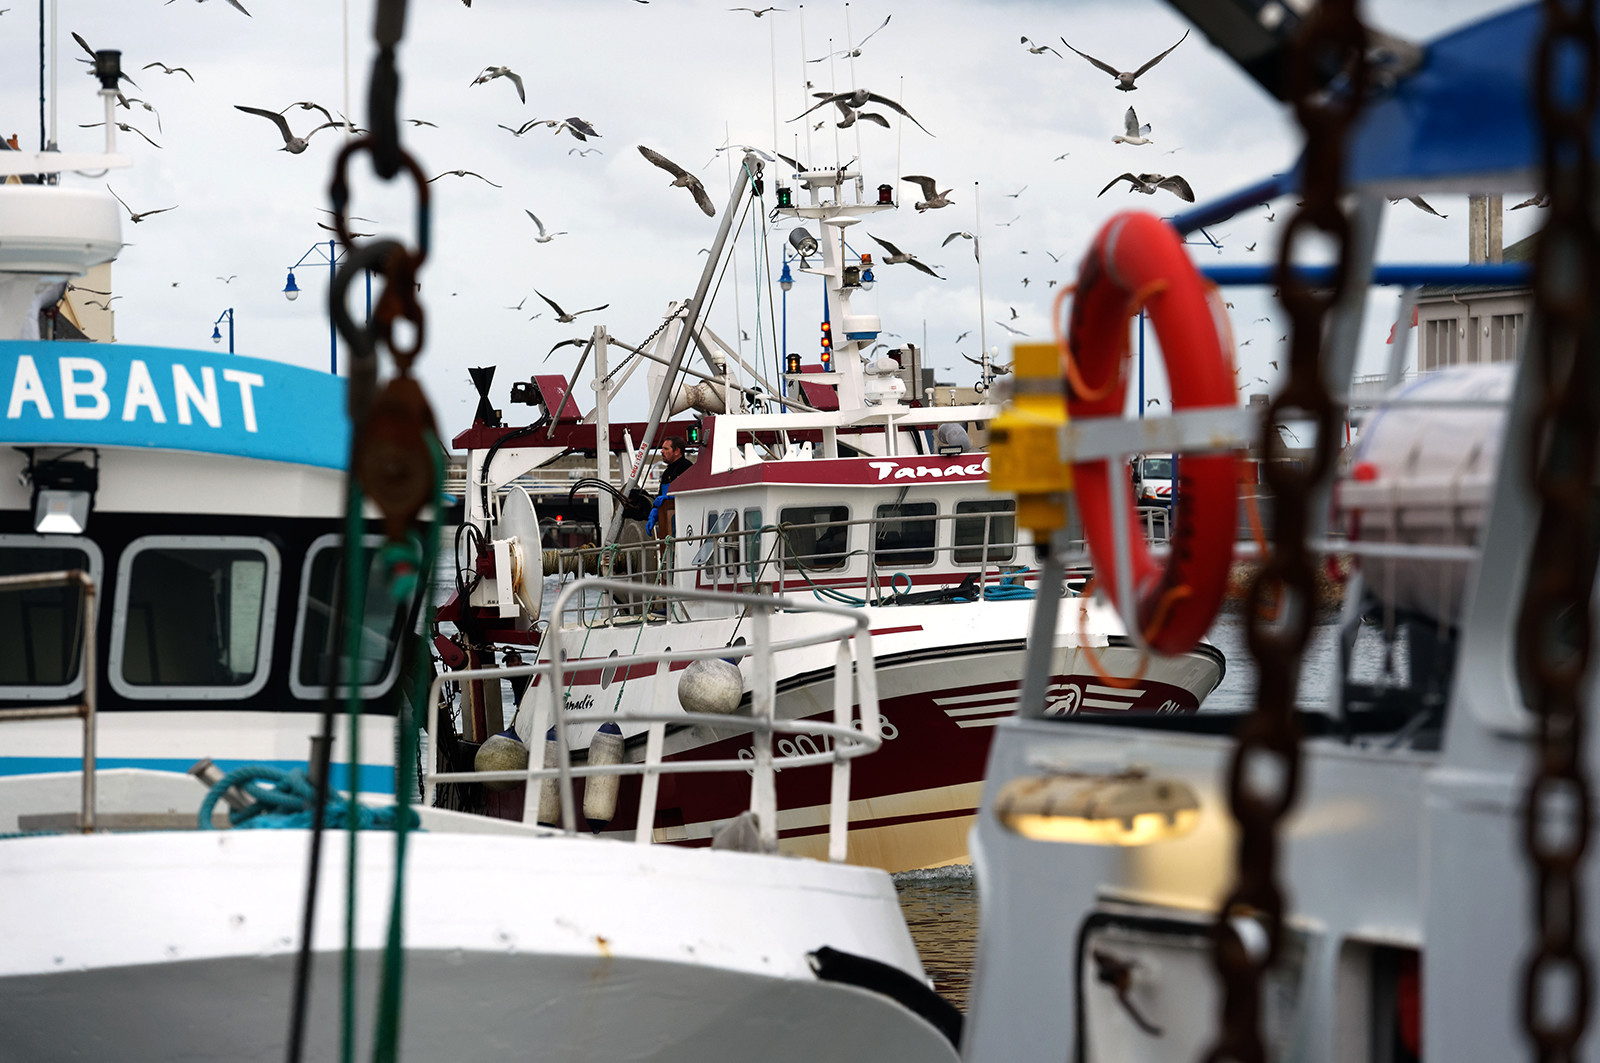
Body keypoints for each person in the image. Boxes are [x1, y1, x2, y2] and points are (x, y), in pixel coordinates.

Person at [648, 436, 693, 537]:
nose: (661, 451)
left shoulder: (687, 468)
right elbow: (660, 496)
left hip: (685, 526)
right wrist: (654, 512)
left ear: (677, 451)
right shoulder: (666, 473)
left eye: (666, 449)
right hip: (668, 527)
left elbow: (690, 494)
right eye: (662, 448)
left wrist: (669, 498)